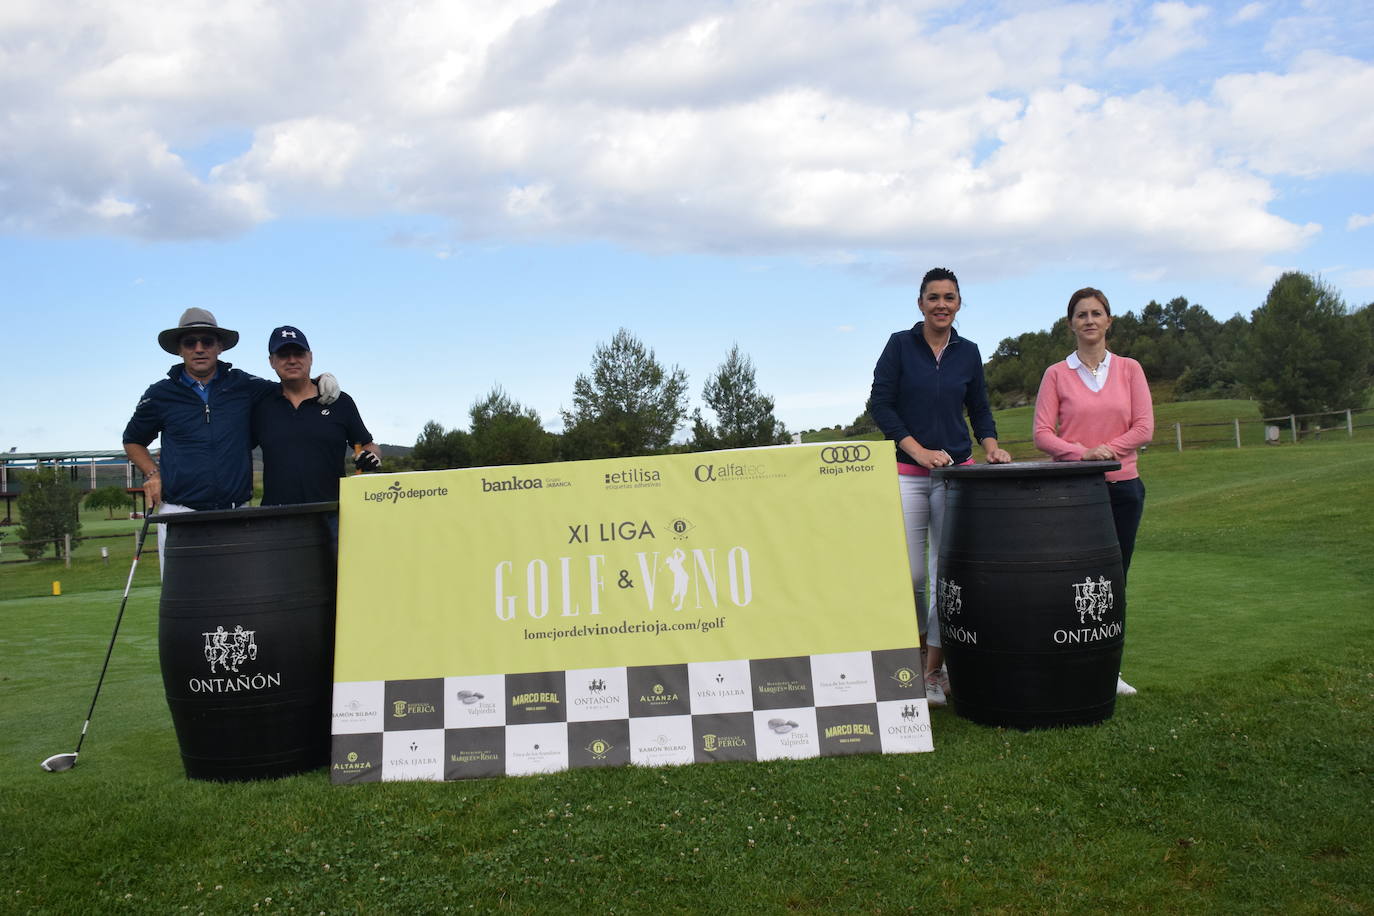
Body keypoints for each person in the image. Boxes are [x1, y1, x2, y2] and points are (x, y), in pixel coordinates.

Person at [870, 267, 1012, 707]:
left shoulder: (968, 352)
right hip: (908, 475)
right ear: (920, 304)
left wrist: (991, 445)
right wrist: (916, 450)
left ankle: (933, 673)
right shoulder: (899, 345)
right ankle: (909, 659)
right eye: (933, 297)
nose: (941, 305)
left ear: (958, 304)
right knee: (911, 576)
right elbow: (881, 403)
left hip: (955, 478)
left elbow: (980, 408)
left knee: (946, 578)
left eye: (950, 297)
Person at [122, 308, 338, 568]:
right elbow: (133, 440)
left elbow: (290, 387)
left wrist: (320, 378)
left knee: (238, 598)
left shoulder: (244, 385)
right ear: (180, 349)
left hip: (236, 511)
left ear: (220, 347)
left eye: (207, 342)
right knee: (183, 600)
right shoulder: (159, 394)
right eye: (190, 342)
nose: (199, 348)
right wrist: (152, 474)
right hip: (180, 512)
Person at [1033, 287, 1154, 696]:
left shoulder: (1130, 369)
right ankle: (1065, 664)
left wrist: (1106, 454)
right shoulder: (1056, 374)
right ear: (1070, 323)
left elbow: (1143, 427)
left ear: (1108, 321)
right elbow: (1042, 434)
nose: (1089, 320)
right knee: (1070, 580)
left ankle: (1108, 668)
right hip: (1072, 492)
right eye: (1081, 314)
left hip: (1123, 490)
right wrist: (1083, 455)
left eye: (1096, 313)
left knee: (1114, 581)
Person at [253, 325, 380, 509]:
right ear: (271, 361)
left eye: (299, 353)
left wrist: (371, 455)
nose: (292, 360)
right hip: (276, 515)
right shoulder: (261, 405)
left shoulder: (339, 401)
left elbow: (368, 445)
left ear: (310, 357)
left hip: (332, 513)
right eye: (283, 354)